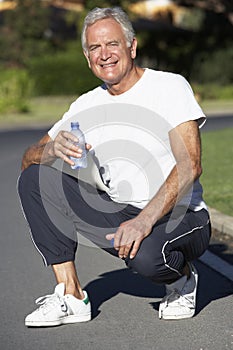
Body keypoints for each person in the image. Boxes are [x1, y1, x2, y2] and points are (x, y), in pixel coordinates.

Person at [18, 7, 211, 327]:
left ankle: (182, 279)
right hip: (120, 211)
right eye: (95, 48)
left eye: (112, 44)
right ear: (86, 56)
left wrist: (144, 221)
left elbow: (190, 165)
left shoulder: (169, 87)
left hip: (182, 215)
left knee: (148, 257)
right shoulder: (85, 105)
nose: (104, 55)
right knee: (35, 178)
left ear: (132, 47)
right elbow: (28, 160)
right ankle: (71, 294)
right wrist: (49, 150)